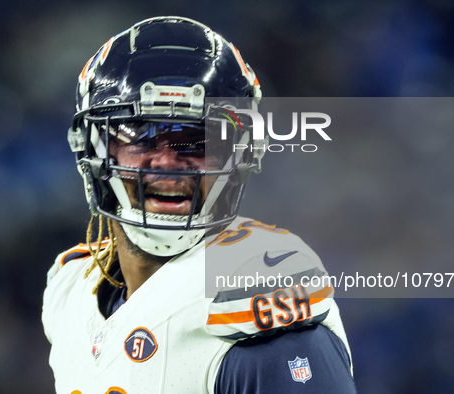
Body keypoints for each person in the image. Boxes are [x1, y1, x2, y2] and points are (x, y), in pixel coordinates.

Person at [42, 16, 356, 393]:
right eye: (140, 136)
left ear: (238, 153)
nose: (166, 162)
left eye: (195, 140)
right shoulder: (71, 288)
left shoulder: (255, 307)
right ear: (94, 150)